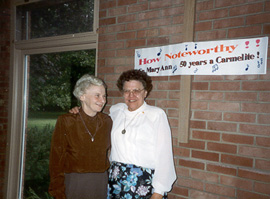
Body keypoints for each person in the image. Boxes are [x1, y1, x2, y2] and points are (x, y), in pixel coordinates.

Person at [70, 69, 176, 199]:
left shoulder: (156, 115)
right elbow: (94, 118)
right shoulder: (116, 111)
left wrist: (158, 192)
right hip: (115, 180)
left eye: (136, 91)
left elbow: (165, 156)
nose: (131, 95)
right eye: (127, 91)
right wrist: (80, 110)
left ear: (145, 93)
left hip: (143, 183)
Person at [49, 74, 112, 199]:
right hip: (75, 181)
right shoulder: (67, 121)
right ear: (82, 96)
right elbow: (56, 158)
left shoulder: (107, 121)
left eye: (104, 96)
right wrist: (57, 190)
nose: (102, 100)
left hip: (100, 181)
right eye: (97, 95)